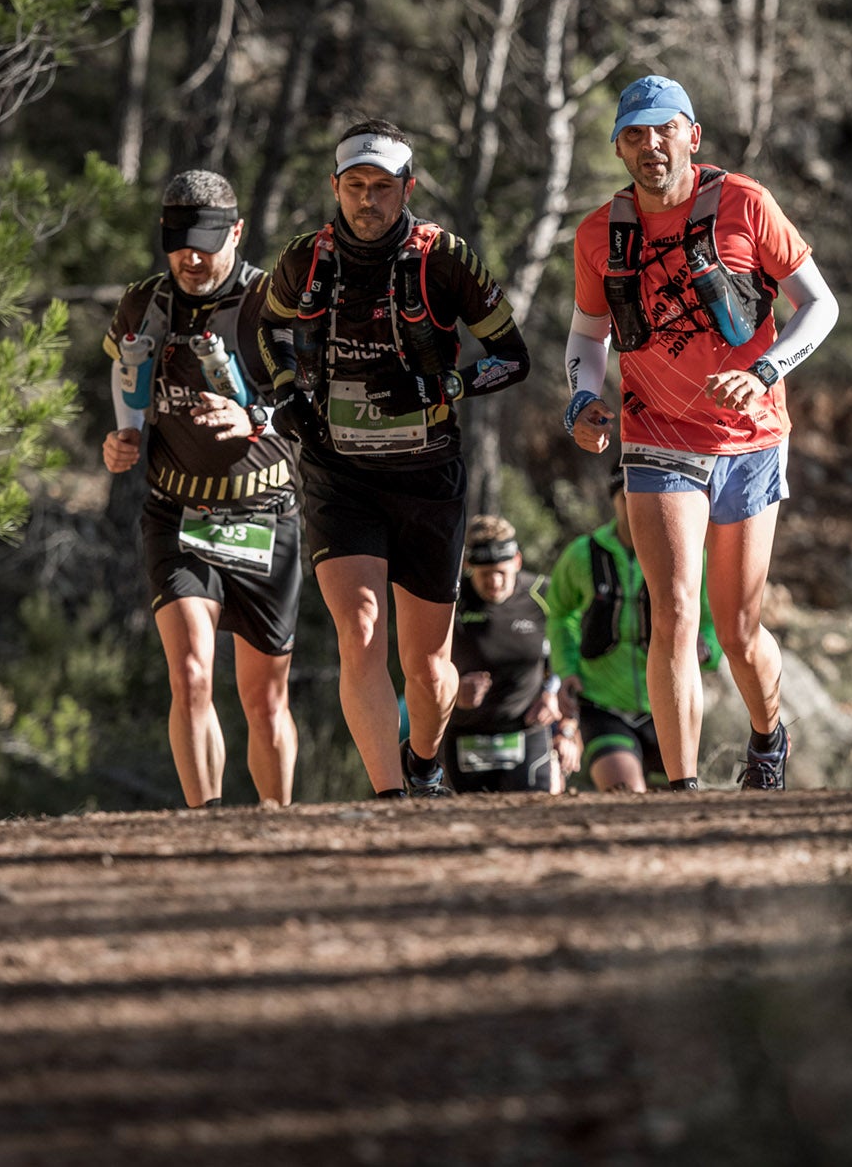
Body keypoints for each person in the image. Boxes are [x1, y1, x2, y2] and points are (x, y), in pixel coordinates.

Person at [563, 74, 838, 790]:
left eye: (663, 129)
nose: (650, 145)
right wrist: (582, 400)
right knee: (674, 609)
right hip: (656, 433)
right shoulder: (599, 234)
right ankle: (683, 792)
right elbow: (588, 335)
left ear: (693, 135)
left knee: (738, 630)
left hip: (750, 438)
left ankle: (767, 734)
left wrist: (768, 369)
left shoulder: (746, 205)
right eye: (634, 133)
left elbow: (822, 307)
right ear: (619, 145)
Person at [258, 120, 531, 798]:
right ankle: (389, 797)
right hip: (336, 472)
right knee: (359, 630)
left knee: (428, 663)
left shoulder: (444, 259)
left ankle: (425, 760)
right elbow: (264, 328)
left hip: (426, 475)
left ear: (407, 187)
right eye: (356, 186)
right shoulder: (306, 259)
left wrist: (448, 384)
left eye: (383, 187)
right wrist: (285, 392)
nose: (369, 201)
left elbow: (513, 355)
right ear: (336, 187)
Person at [102, 169, 301, 807]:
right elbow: (125, 368)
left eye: (208, 241)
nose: (193, 256)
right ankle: (206, 820)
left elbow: (315, 397)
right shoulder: (144, 301)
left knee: (263, 696)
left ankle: (277, 822)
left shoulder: (273, 301)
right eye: (179, 240)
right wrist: (125, 434)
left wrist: (257, 418)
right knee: (191, 674)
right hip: (176, 510)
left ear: (237, 232)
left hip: (265, 512)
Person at [548, 465, 724, 791]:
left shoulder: (688, 556)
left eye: (644, 496)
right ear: (613, 500)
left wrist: (708, 650)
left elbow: (714, 620)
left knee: (671, 804)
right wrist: (567, 667)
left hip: (670, 706)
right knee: (627, 792)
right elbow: (560, 614)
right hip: (604, 704)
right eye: (625, 497)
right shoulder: (583, 554)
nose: (634, 505)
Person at [444, 516, 577, 794]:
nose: (494, 581)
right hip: (462, 734)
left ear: (517, 561)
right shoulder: (451, 599)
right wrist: (454, 690)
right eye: (484, 574)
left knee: (534, 819)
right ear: (468, 566)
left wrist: (552, 696)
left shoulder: (543, 594)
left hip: (525, 730)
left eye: (502, 572)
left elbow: (569, 654)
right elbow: (421, 663)